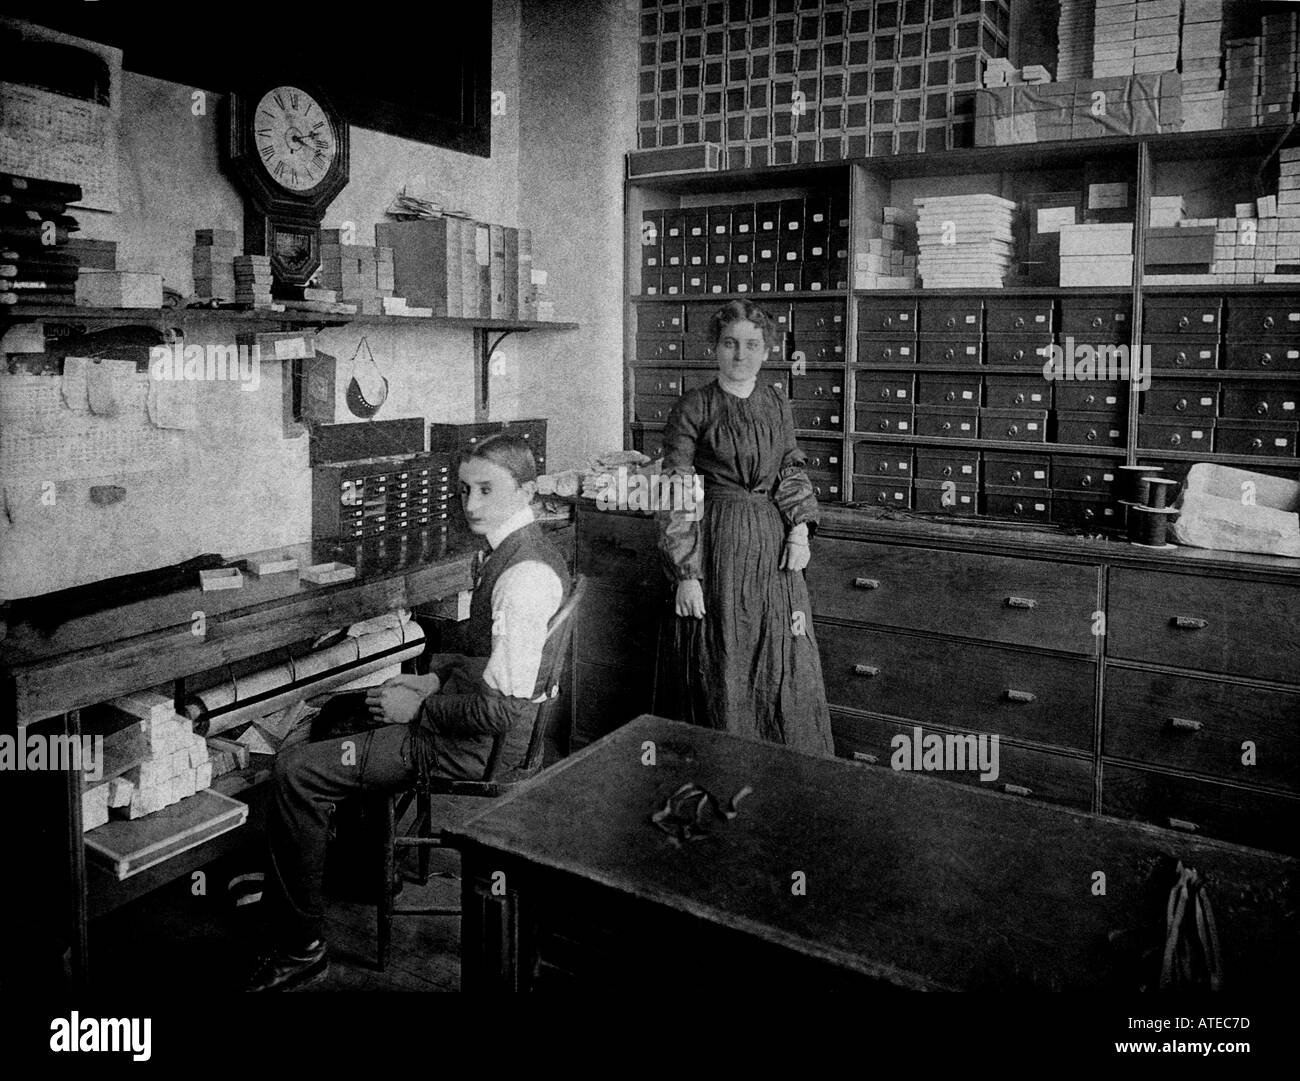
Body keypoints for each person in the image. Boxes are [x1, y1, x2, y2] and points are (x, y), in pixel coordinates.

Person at [247, 433, 569, 991]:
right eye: (465, 488)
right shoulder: (521, 549)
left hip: (478, 746)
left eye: (486, 490)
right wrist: (433, 677)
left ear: (527, 489)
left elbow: (500, 712)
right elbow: (484, 663)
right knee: (341, 716)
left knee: (293, 771)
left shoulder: (523, 577)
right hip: (474, 721)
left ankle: (301, 948)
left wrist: (418, 710)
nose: (470, 504)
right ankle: (356, 875)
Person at [657, 299, 834, 756]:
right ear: (715, 348)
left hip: (771, 545)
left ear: (766, 350)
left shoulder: (777, 402)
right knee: (722, 656)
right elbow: (677, 493)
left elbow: (790, 469)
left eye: (752, 345)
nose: (741, 355)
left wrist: (799, 529)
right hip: (715, 545)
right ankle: (724, 768)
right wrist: (686, 575)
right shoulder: (693, 407)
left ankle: (781, 772)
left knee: (781, 656)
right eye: (730, 344)